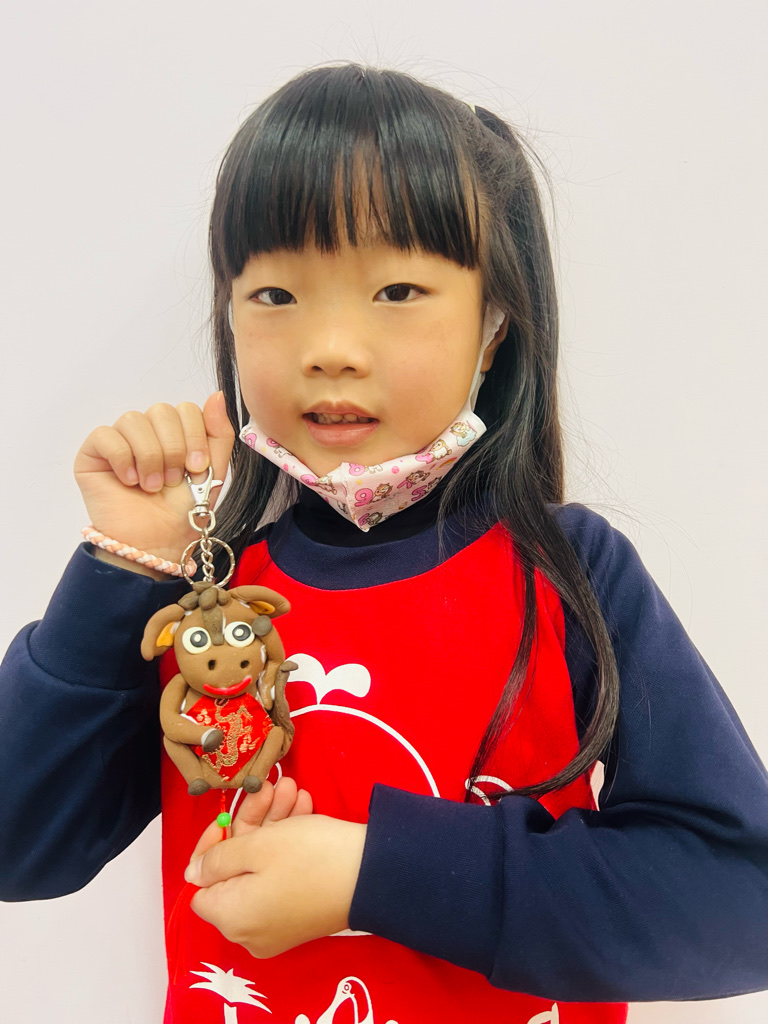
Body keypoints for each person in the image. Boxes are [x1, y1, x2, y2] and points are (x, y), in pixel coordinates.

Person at [1, 62, 766, 1024]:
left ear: (494, 324)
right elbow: (17, 849)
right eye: (274, 294)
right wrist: (122, 568)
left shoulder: (570, 573)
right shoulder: (205, 605)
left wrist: (372, 872)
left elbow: (740, 897)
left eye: (398, 289)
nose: (331, 348)